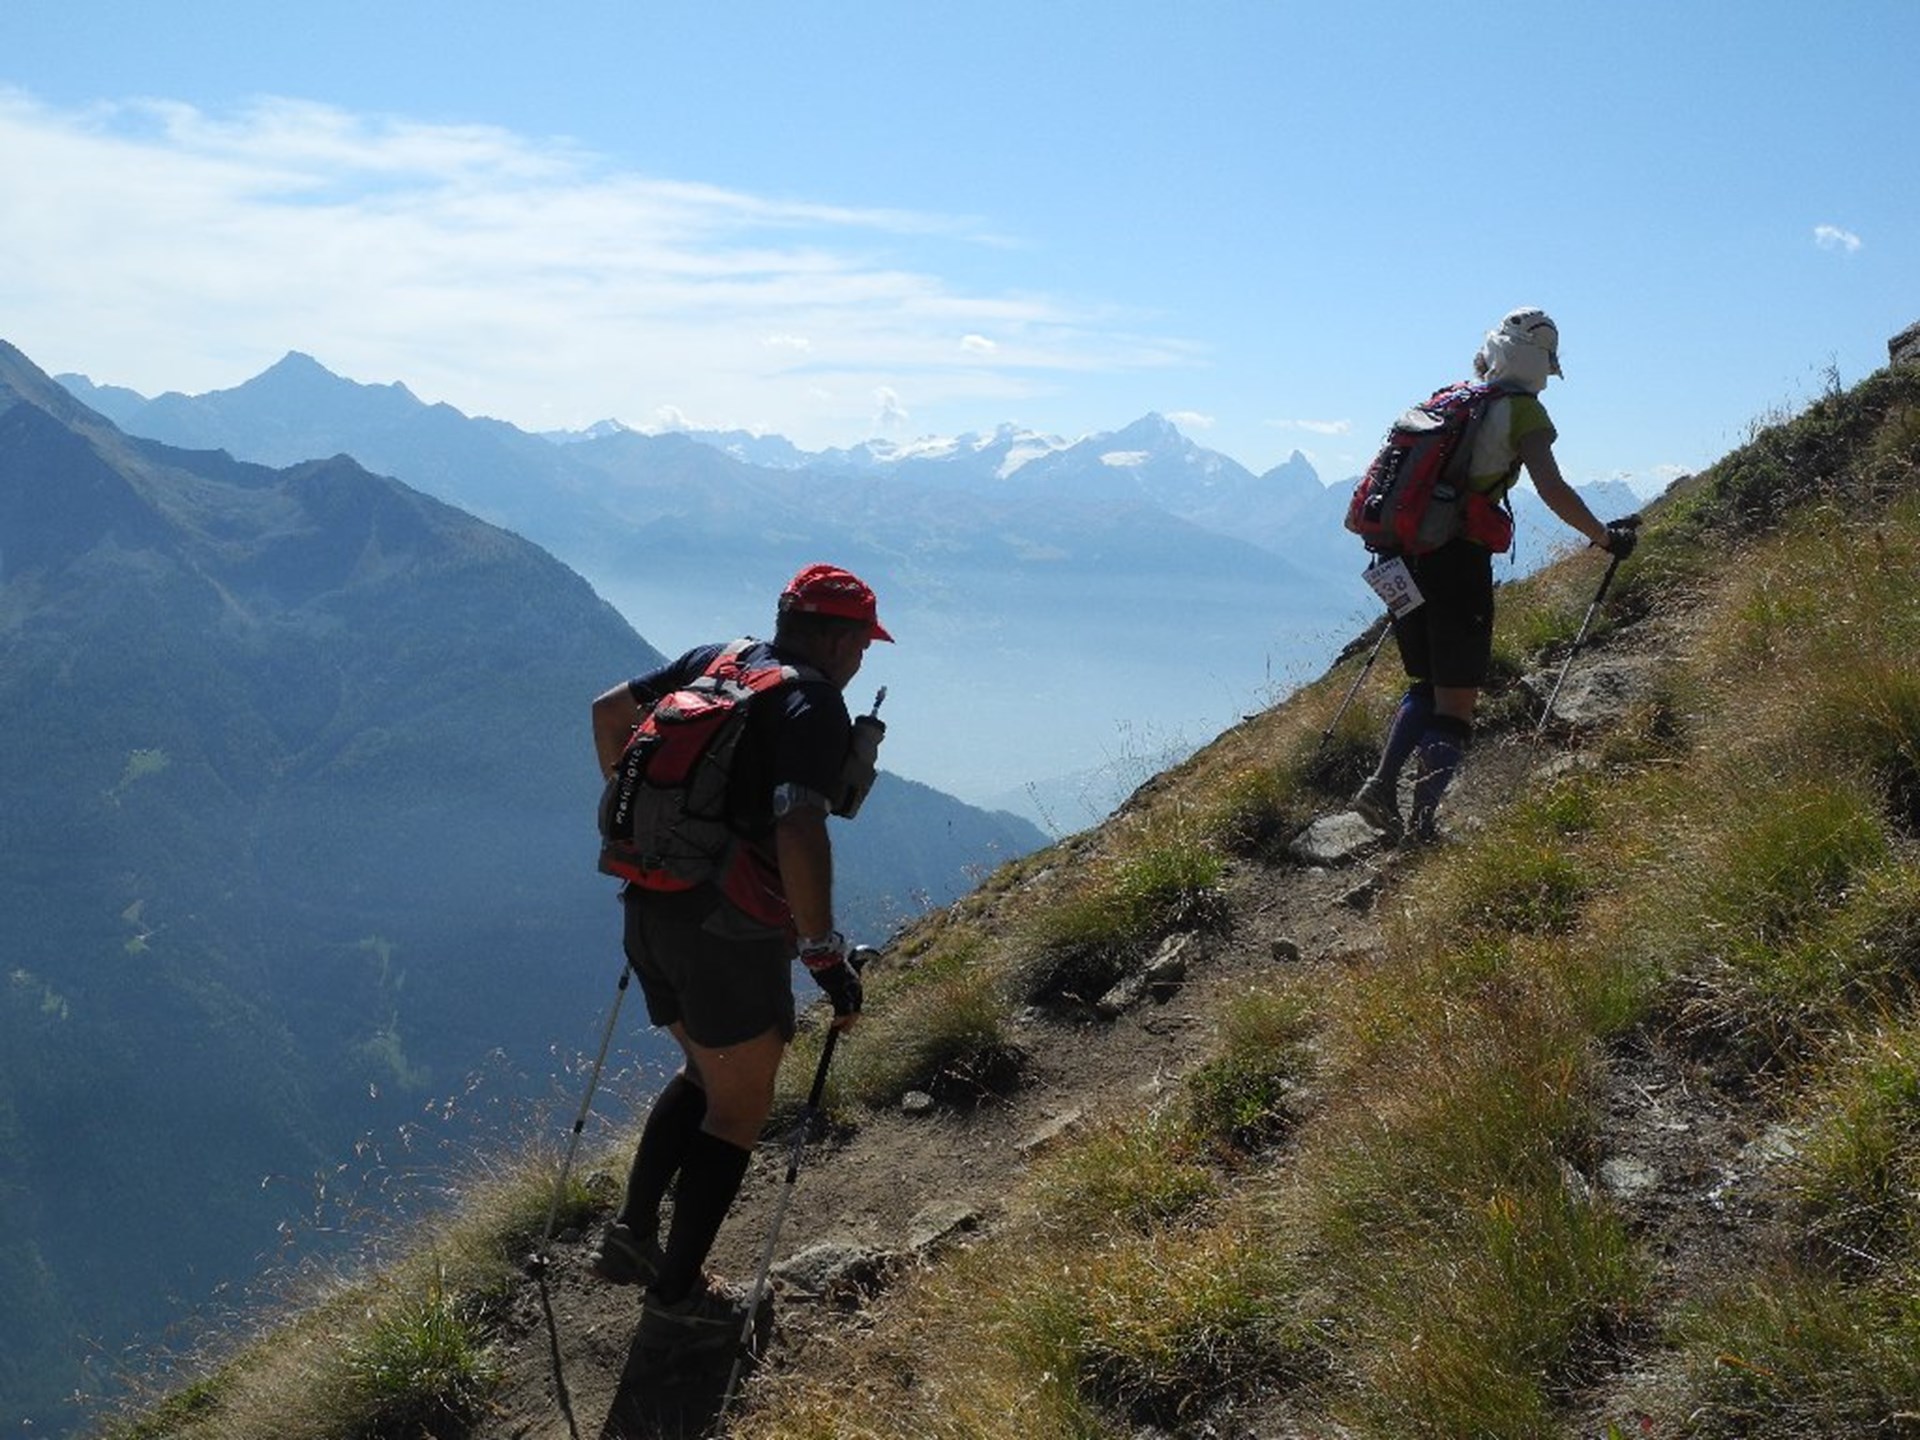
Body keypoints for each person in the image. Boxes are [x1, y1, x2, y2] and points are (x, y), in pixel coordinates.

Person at [585, 562, 891, 1359]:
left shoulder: (718, 659)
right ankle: (677, 1301)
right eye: (863, 644)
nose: (862, 659)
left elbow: (609, 712)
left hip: (648, 902)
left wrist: (653, 827)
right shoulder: (812, 703)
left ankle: (632, 1237)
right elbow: (799, 826)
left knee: (702, 1074)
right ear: (838, 639)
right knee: (738, 1109)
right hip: (725, 931)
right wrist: (822, 950)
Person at [1350, 308, 1637, 843]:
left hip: (1399, 555)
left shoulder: (1450, 399)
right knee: (1456, 703)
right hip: (1456, 562)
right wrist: (1603, 537)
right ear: (1542, 364)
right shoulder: (1524, 413)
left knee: (1426, 683)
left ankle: (1382, 785)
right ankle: (1422, 827)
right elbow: (1552, 489)